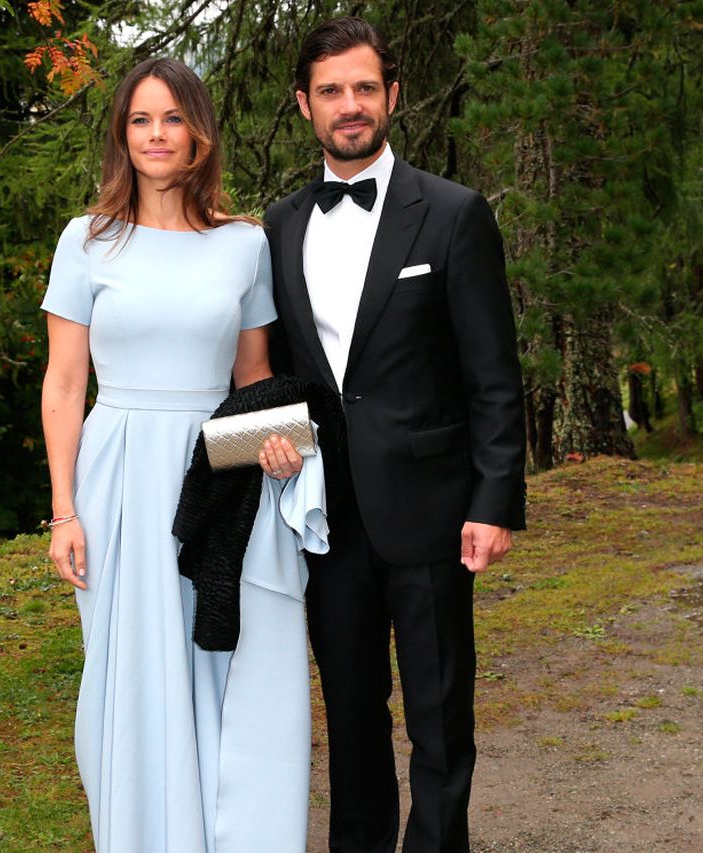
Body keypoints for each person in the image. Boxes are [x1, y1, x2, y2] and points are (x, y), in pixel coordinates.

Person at [40, 57, 325, 853]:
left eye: (171, 118)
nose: (156, 135)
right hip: (118, 473)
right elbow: (64, 386)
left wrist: (282, 449)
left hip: (219, 468)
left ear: (199, 130)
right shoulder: (86, 241)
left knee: (222, 653)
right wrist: (63, 511)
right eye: (139, 120)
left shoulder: (244, 244)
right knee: (130, 668)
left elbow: (256, 381)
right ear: (121, 137)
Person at [264, 17, 528, 853]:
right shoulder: (275, 228)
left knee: (441, 716)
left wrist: (495, 501)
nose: (351, 106)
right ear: (304, 104)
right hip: (325, 517)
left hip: (433, 511)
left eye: (366, 88)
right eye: (332, 91)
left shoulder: (453, 215)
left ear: (394, 97)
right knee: (350, 716)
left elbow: (493, 376)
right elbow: (267, 369)